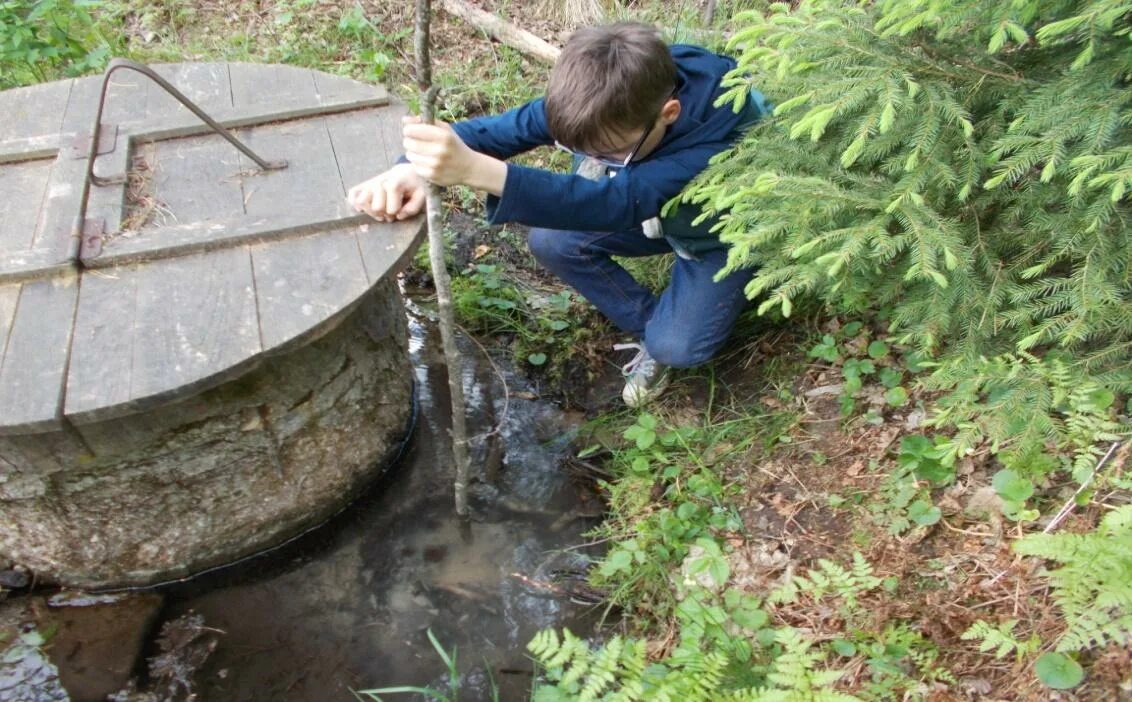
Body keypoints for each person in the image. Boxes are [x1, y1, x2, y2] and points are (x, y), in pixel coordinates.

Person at [348, 21, 769, 407]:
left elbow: (616, 202)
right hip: (653, 212)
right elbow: (488, 133)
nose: (592, 162)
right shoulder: (607, 95)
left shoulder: (722, 132)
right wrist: (410, 167)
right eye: (578, 150)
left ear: (669, 114)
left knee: (679, 348)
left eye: (606, 153)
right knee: (552, 241)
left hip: (716, 236)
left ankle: (672, 336)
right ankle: (651, 328)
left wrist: (477, 171)